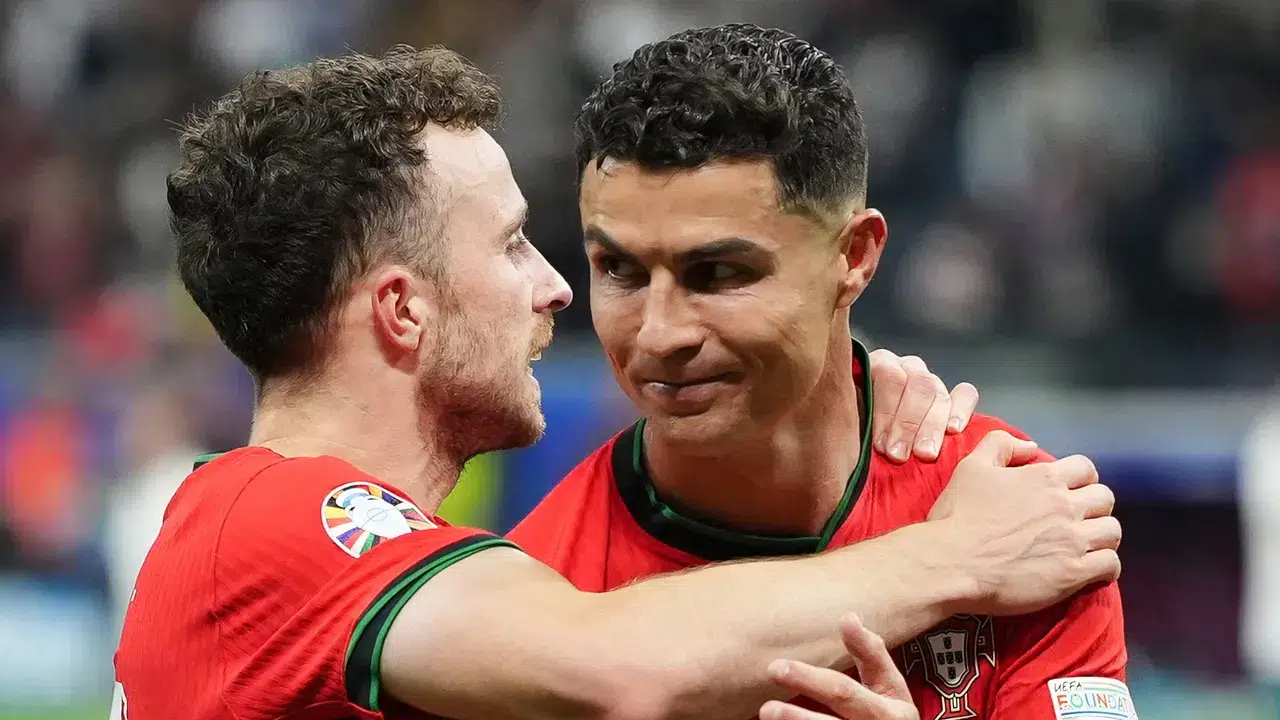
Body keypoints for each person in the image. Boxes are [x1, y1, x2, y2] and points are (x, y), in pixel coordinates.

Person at [113, 46, 1121, 720]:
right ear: (402, 310)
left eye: (718, 272)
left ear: (851, 262)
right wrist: (955, 556)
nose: (555, 288)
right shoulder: (273, 523)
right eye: (515, 245)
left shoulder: (448, 617)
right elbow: (619, 664)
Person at [507, 24, 1132, 720]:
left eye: (718, 273)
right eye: (619, 269)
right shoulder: (533, 596)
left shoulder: (1024, 516)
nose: (658, 334)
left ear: (855, 258)